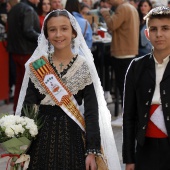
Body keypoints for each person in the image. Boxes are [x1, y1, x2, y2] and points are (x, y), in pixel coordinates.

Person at [15, 9, 121, 170]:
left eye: (64, 29)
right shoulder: (38, 66)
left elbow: (92, 112)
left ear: (73, 32)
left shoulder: (84, 67)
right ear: (46, 34)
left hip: (73, 138)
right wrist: (20, 145)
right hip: (41, 138)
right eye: (53, 30)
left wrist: (92, 151)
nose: (58, 34)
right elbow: (28, 107)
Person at [123, 6, 170, 170]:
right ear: (146, 34)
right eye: (154, 29)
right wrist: (129, 158)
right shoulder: (136, 67)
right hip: (145, 148)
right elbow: (128, 116)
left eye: (165, 28)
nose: (159, 34)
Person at [101, 0, 139, 126]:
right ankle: (128, 116)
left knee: (123, 86)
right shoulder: (131, 7)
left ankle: (126, 117)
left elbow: (112, 24)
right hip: (129, 51)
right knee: (126, 86)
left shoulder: (122, 8)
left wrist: (106, 13)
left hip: (122, 53)